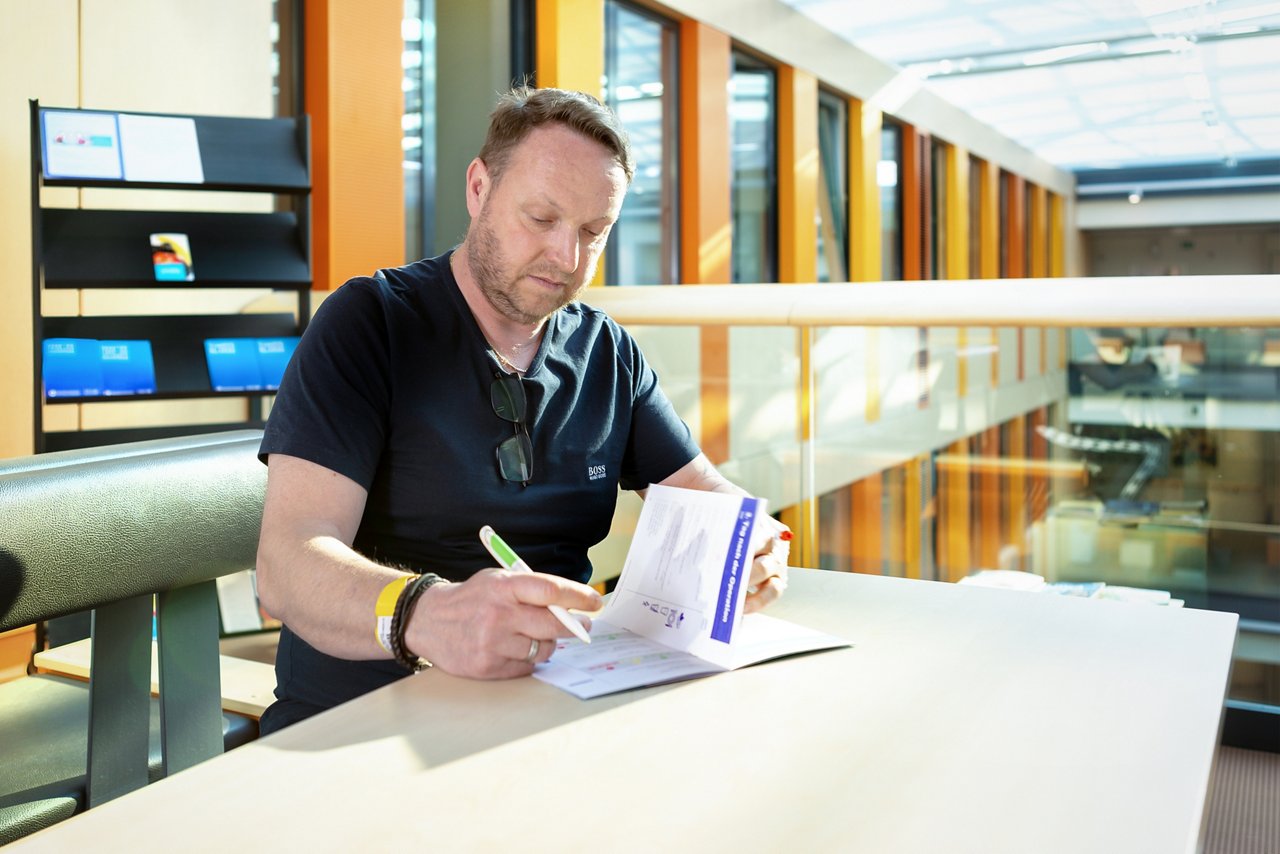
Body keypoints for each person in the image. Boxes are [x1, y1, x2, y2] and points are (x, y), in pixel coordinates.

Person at [254, 86, 790, 733]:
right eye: (541, 218)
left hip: (556, 711)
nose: (567, 257)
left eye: (593, 232)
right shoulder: (370, 324)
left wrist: (751, 540)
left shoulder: (606, 352)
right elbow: (286, 564)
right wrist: (425, 613)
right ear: (479, 188)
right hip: (361, 724)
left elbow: (703, 493)